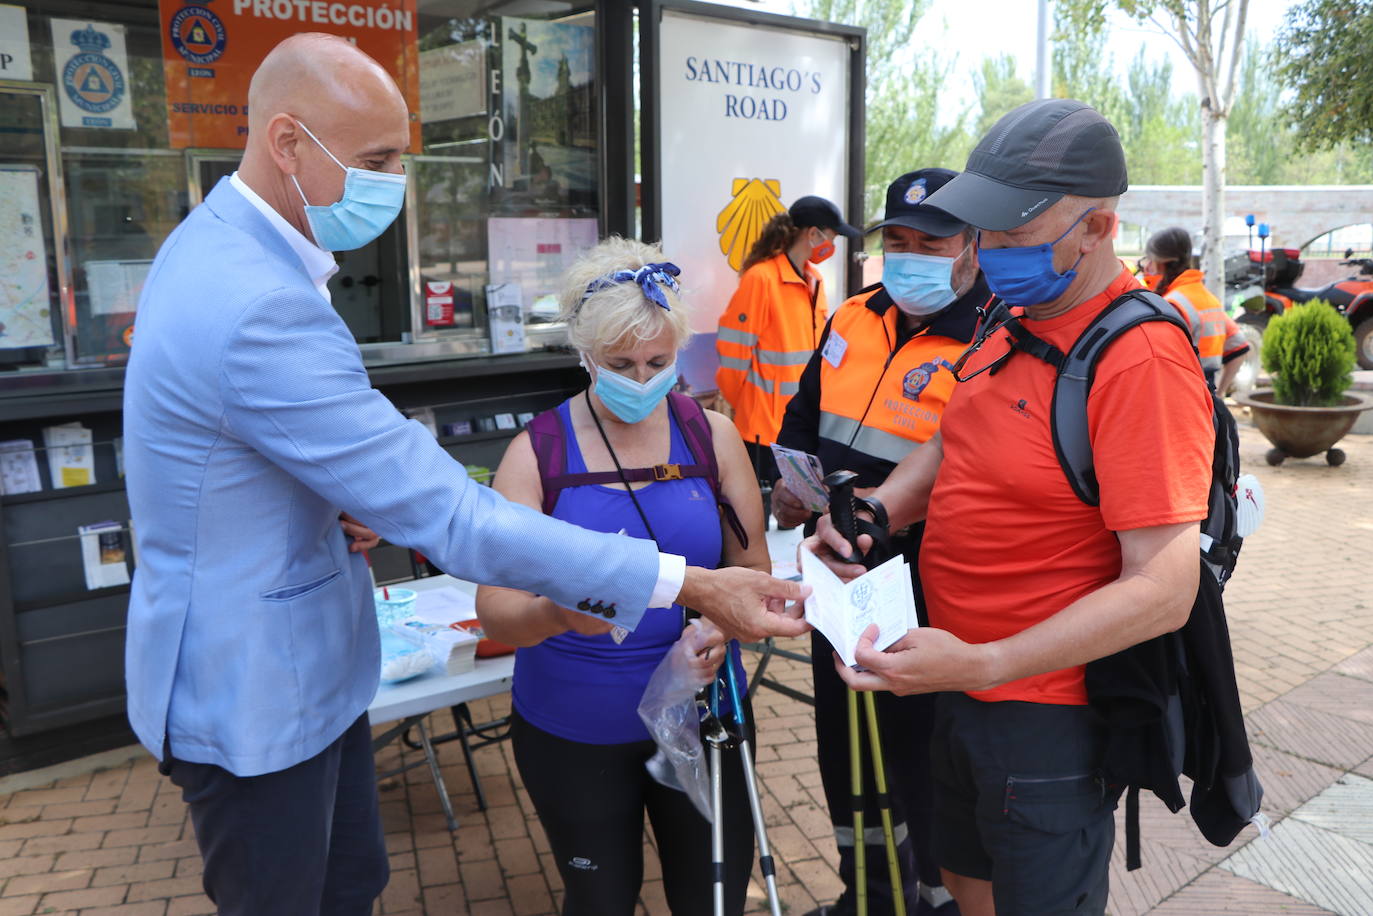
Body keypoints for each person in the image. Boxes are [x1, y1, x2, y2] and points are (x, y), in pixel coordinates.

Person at [121, 34, 807, 916]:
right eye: (375, 160)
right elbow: (455, 518)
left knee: (349, 888)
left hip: (298, 683)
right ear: (288, 143)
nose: (394, 185)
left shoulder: (231, 252)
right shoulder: (256, 299)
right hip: (261, 700)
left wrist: (331, 499)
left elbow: (243, 456)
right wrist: (686, 582)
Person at [809, 99, 1214, 916]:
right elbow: (956, 441)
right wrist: (880, 513)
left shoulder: (1140, 361)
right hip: (953, 682)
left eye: (1014, 233)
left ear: (1098, 227)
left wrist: (989, 663)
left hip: (1042, 720)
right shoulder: (1010, 314)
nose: (988, 252)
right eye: (982, 230)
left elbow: (1166, 589)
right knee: (964, 887)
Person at [475, 237, 769, 916]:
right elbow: (495, 609)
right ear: (583, 352)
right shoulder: (536, 453)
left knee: (713, 898)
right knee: (601, 898)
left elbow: (749, 569)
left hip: (704, 716)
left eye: (660, 362)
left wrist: (719, 625)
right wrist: (554, 615)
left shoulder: (711, 436)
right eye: (620, 363)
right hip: (575, 727)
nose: (641, 380)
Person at [774, 168, 986, 916]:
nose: (910, 253)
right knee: (843, 739)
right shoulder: (852, 317)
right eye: (897, 239)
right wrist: (795, 482)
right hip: (836, 564)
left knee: (917, 743)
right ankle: (867, 893)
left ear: (970, 246)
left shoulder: (990, 337)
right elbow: (803, 417)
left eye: (931, 241)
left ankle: (933, 894)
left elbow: (970, 461)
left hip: (923, 576)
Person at [716, 195, 861, 485]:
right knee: (761, 515)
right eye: (831, 237)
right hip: (761, 429)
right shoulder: (761, 278)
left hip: (800, 423)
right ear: (812, 234)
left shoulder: (815, 279)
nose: (832, 246)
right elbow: (733, 354)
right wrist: (745, 407)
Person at [1141, 226, 1252, 393]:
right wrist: (1220, 394)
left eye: (1148, 260)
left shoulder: (1171, 305)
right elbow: (1240, 346)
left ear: (1161, 262)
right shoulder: (1207, 298)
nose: (1146, 267)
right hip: (1206, 391)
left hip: (1181, 392)